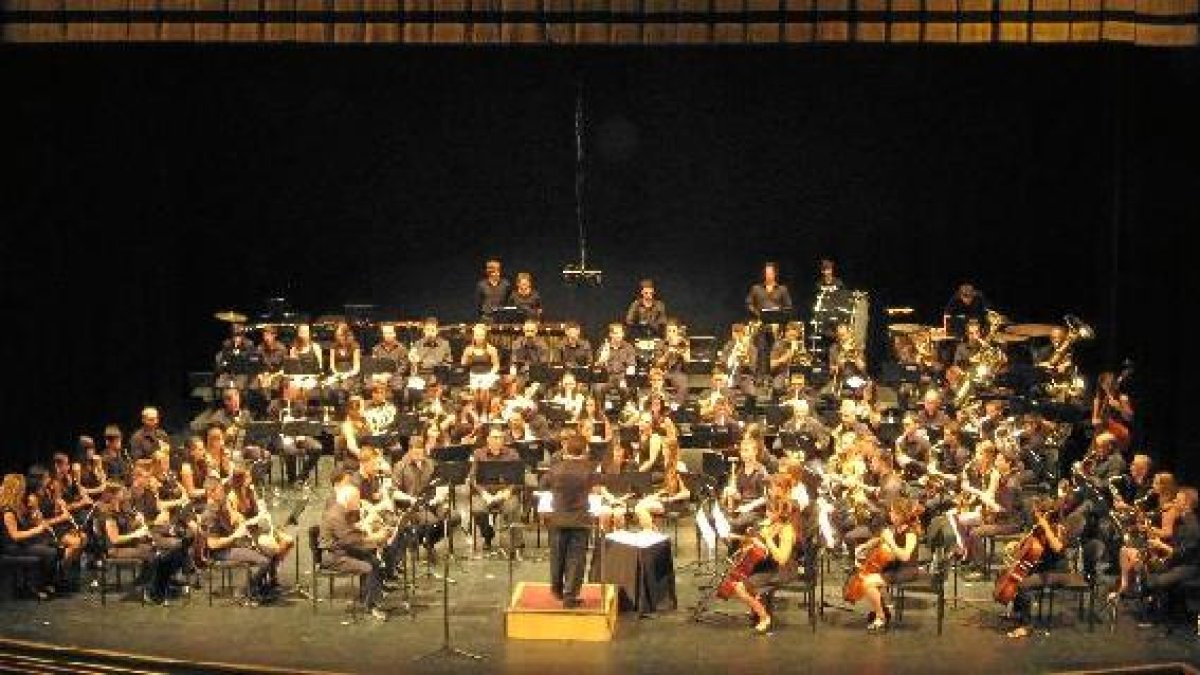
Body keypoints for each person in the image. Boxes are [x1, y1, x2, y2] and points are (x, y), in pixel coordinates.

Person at [725, 473, 802, 634]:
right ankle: (757, 603)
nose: (766, 514)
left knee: (739, 587)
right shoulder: (774, 521)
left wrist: (768, 540)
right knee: (736, 581)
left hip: (782, 569)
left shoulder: (787, 527)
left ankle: (764, 616)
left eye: (769, 511)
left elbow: (782, 558)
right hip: (768, 562)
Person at [318, 482, 391, 621]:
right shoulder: (335, 515)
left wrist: (362, 528)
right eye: (356, 500)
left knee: (374, 561)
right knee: (368, 567)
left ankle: (370, 598)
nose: (358, 503)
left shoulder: (341, 510)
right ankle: (371, 607)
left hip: (344, 550)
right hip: (334, 557)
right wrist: (374, 537)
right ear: (348, 499)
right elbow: (349, 538)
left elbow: (349, 531)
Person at [201, 477, 277, 605]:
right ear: (211, 493)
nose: (223, 493)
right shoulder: (209, 514)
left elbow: (234, 518)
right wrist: (235, 536)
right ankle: (244, 591)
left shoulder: (221, 504)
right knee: (264, 561)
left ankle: (259, 588)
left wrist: (239, 521)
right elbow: (212, 545)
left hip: (232, 543)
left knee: (271, 551)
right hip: (220, 552)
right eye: (220, 490)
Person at [1003, 496, 1070, 639]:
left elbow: (1057, 547)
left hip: (1057, 571)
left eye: (1037, 513)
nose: (1035, 516)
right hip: (1042, 567)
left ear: (1045, 513)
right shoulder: (1039, 527)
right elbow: (1029, 543)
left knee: (1023, 584)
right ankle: (1019, 614)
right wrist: (1016, 544)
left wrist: (1045, 526)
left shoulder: (1059, 527)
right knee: (1016, 576)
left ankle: (1027, 626)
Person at [852, 496, 922, 632]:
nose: (890, 515)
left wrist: (891, 541)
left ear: (902, 514)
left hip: (907, 570)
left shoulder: (911, 533)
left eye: (894, 512)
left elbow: (905, 556)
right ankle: (883, 609)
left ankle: (881, 617)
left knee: (868, 582)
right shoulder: (896, 528)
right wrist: (865, 546)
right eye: (890, 511)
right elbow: (879, 539)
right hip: (896, 567)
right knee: (868, 575)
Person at [541, 433, 595, 607]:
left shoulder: (555, 468)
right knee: (576, 558)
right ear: (585, 450)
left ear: (566, 449)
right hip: (580, 520)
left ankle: (557, 589)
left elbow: (543, 484)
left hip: (558, 519)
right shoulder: (588, 469)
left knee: (557, 555)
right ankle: (570, 595)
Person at [0, 473, 60, 599]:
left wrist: (34, 519)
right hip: (11, 547)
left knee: (53, 545)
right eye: (22, 488)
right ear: (15, 489)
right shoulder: (7, 511)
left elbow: (25, 525)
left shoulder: (17, 506)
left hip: (21, 544)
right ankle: (35, 587)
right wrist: (38, 529)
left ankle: (47, 582)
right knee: (50, 553)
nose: (24, 490)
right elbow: (15, 535)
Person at [469, 428, 524, 553]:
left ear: (503, 440)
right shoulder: (479, 453)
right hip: (485, 492)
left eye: (499, 437)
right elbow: (472, 477)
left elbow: (518, 477)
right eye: (494, 437)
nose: (497, 440)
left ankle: (514, 543)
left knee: (511, 508)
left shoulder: (512, 454)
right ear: (488, 439)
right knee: (478, 510)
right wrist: (483, 493)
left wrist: (508, 491)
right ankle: (488, 535)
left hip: (506, 492)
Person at [461, 323, 501, 420]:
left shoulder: (491, 349)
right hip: (473, 374)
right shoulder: (468, 349)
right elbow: (463, 363)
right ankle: (475, 411)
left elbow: (496, 365)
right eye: (477, 335)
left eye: (481, 335)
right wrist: (468, 357)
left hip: (487, 374)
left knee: (484, 389)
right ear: (474, 336)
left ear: (485, 336)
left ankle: (483, 412)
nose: (479, 337)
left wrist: (491, 374)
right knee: (474, 390)